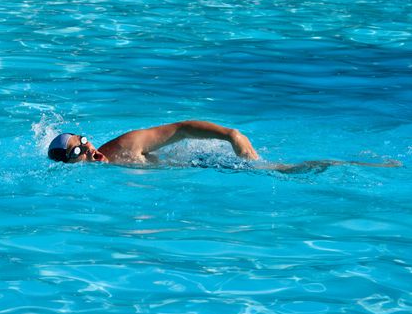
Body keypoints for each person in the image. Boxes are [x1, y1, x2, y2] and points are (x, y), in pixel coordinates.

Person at [47, 120, 400, 172]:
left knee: (284, 173)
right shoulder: (105, 167)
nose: (89, 150)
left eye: (86, 142)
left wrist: (231, 134)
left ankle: (362, 166)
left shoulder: (123, 147)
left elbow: (182, 129)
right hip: (197, 168)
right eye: (79, 152)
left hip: (210, 161)